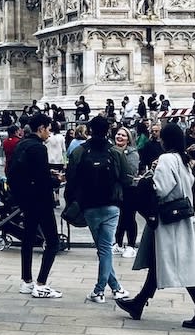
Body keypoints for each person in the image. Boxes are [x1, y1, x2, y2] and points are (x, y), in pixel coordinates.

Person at [117, 123, 195, 329]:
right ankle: (138, 303)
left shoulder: (166, 159)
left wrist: (147, 180)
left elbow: (161, 188)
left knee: (180, 264)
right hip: (180, 218)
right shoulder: (182, 159)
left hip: (167, 220)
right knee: (159, 262)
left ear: (166, 139)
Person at [65, 115, 130, 305]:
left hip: (90, 206)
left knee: (103, 249)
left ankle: (103, 290)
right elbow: (126, 178)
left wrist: (72, 201)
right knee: (105, 249)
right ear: (108, 131)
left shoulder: (79, 151)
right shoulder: (116, 152)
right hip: (112, 206)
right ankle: (108, 289)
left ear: (90, 130)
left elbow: (71, 178)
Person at [7, 112, 63, 301]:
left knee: (28, 239)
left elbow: (17, 172)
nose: (49, 133)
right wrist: (56, 180)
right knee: (53, 242)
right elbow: (42, 180)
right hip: (41, 201)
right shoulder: (39, 148)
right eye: (48, 129)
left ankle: (26, 280)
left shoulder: (21, 144)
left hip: (26, 201)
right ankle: (41, 284)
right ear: (41, 129)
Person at [112, 126, 140, 258]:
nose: (120, 137)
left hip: (130, 189)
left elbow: (131, 172)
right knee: (119, 218)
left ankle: (131, 245)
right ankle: (117, 243)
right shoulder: (111, 151)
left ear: (128, 139)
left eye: (123, 135)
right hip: (116, 189)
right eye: (118, 134)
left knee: (129, 217)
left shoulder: (132, 154)